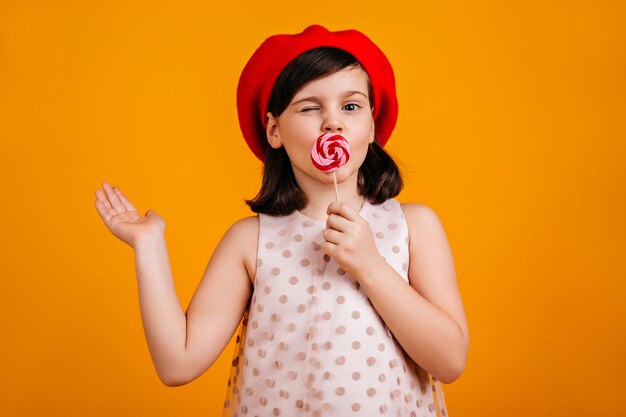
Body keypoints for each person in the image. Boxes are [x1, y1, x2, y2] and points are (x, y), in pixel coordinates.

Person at [94, 24, 468, 417]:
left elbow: (450, 361)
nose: (333, 123)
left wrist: (370, 266)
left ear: (373, 124)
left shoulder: (414, 227)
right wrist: (148, 246)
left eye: (351, 106)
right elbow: (177, 364)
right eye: (310, 107)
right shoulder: (249, 240)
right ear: (274, 129)